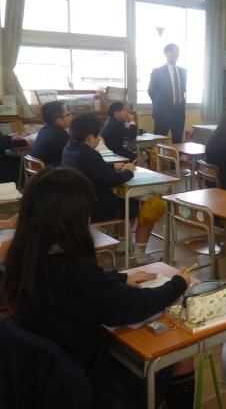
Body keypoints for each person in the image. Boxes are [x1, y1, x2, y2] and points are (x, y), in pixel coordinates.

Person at [0, 167, 193, 407]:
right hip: (88, 388)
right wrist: (178, 283)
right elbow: (135, 306)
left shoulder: (21, 257)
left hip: (46, 381)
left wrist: (119, 278)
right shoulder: (75, 271)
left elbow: (84, 289)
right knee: (179, 351)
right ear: (74, 219)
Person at [61, 113, 154, 262]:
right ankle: (139, 255)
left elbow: (93, 170)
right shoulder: (89, 154)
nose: (100, 139)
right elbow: (114, 181)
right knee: (145, 206)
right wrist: (128, 171)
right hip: (95, 208)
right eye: (98, 136)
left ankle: (123, 244)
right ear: (90, 138)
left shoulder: (69, 148)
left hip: (77, 205)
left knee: (126, 201)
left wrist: (111, 166)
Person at [148, 43, 186, 143]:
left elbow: (182, 90)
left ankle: (177, 154)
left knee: (178, 141)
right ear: (166, 53)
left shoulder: (183, 71)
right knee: (159, 141)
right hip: (162, 112)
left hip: (179, 112)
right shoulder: (158, 71)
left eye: (177, 52)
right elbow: (151, 91)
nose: (175, 54)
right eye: (172, 51)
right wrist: (159, 104)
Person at [30, 100, 71, 166]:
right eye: (68, 114)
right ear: (59, 120)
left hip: (40, 170)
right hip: (52, 170)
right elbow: (71, 156)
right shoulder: (60, 134)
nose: (70, 117)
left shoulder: (44, 129)